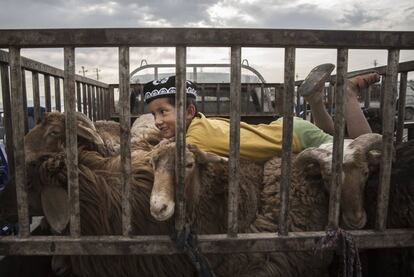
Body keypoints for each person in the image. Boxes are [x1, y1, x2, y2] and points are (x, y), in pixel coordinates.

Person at [144, 64, 379, 162]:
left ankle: (347, 93)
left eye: (163, 112)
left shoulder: (194, 139)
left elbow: (166, 156)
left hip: (293, 136)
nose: (157, 121)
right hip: (287, 128)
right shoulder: (200, 123)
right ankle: (315, 100)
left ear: (189, 111)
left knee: (367, 153)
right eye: (154, 115)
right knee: (331, 136)